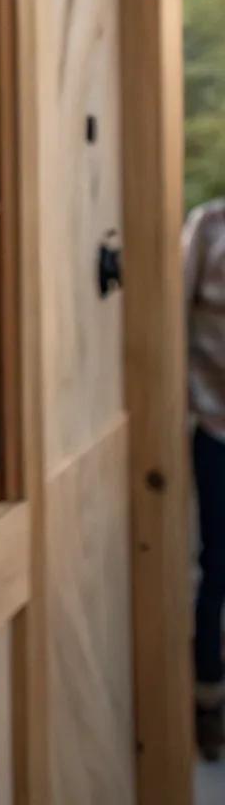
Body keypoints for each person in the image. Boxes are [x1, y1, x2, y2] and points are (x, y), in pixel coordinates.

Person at [185, 197, 225, 762]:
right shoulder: (209, 227)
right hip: (216, 427)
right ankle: (207, 698)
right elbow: (169, 314)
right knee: (217, 563)